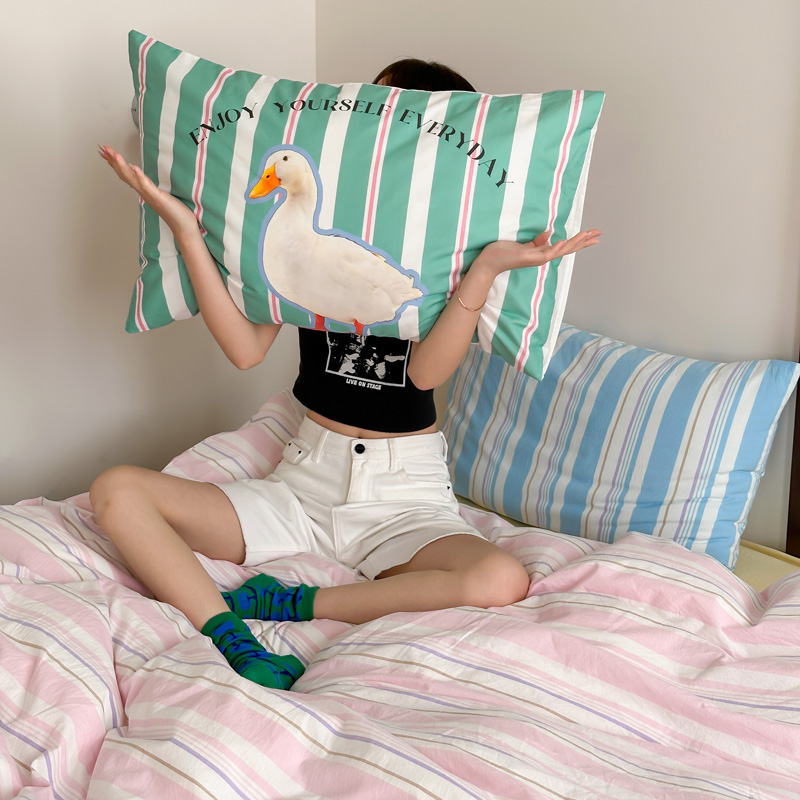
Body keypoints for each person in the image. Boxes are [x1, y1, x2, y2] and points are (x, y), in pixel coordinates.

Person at [92, 59, 601, 691]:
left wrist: (486, 270)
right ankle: (229, 635)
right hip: (303, 482)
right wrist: (186, 231)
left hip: (402, 497)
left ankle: (292, 603)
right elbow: (246, 350)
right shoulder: (306, 249)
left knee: (500, 578)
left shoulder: (448, 254)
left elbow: (423, 375)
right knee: (117, 489)